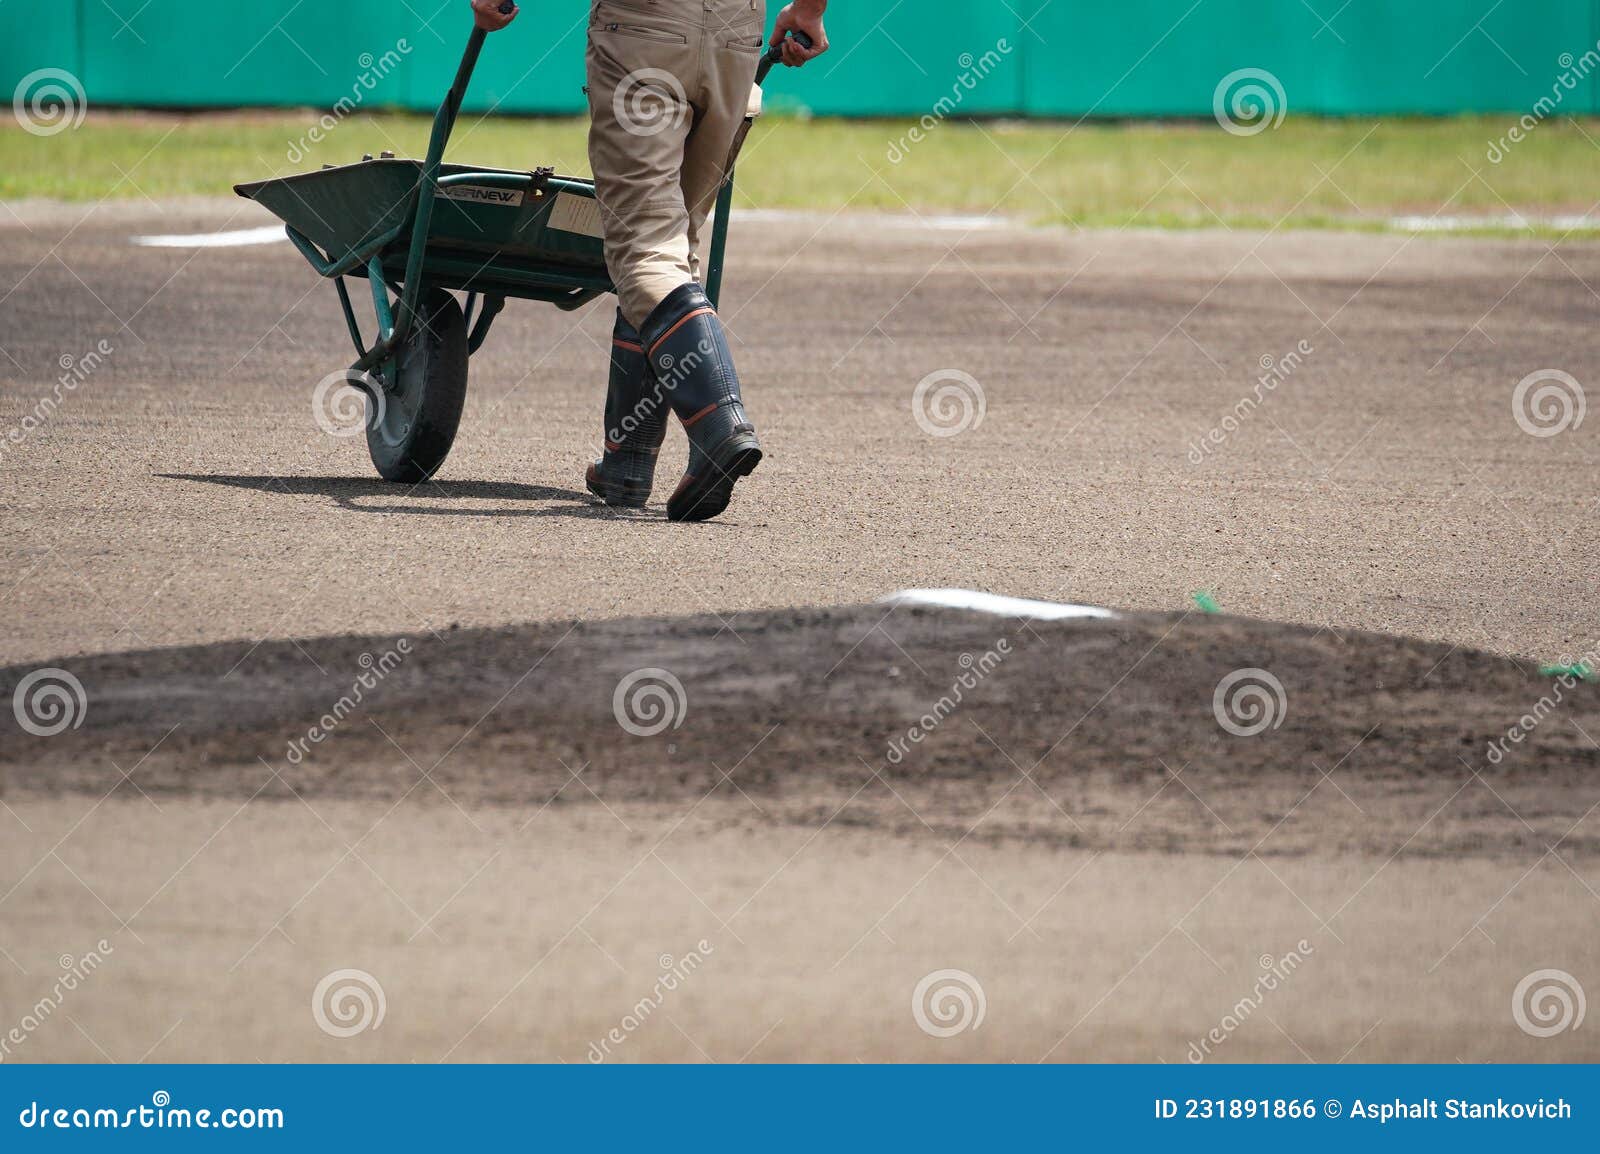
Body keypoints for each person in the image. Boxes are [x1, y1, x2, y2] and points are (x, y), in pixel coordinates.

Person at [471, 0, 829, 521]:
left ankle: (718, 428)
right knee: (673, 247)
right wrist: (810, 8)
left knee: (647, 251)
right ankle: (628, 459)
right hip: (736, 33)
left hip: (644, 27)